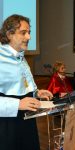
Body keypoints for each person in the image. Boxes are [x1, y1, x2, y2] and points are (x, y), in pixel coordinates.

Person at [0, 14, 53, 150]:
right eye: (23, 33)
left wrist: (36, 93)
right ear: (9, 34)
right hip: (6, 125)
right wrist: (18, 104)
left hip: (27, 120)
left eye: (29, 32)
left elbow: (24, 85)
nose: (29, 37)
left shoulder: (21, 57)